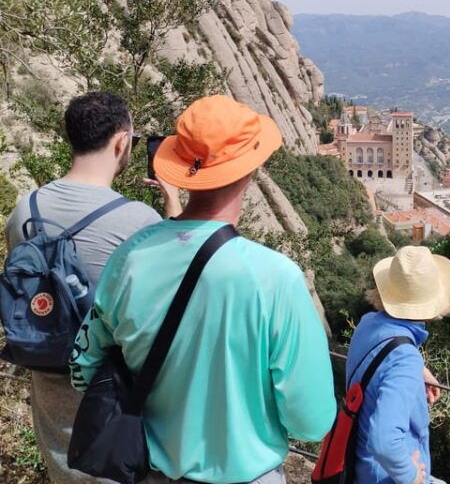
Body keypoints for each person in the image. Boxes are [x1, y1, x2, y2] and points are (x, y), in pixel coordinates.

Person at [69, 94, 336, 484]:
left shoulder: (130, 258)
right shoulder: (275, 277)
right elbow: (311, 421)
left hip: (150, 472)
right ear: (251, 168)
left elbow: (81, 370)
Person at [4, 91, 180, 484]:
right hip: (111, 408)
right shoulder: (138, 221)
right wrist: (173, 204)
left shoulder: (24, 211)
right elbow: (180, 286)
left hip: (49, 396)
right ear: (121, 141)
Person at [346, 245, 450, 484]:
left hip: (358, 466)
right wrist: (412, 477)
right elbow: (384, 441)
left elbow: (383, 356)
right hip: (386, 477)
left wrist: (420, 369)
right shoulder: (405, 359)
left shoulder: (368, 325)